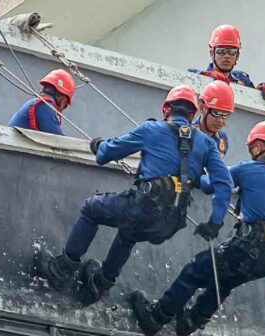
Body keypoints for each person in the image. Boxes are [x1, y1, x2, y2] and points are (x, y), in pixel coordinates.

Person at [33, 85, 233, 306]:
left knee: (92, 208)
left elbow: (105, 154)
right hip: (172, 223)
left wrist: (98, 145)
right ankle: (99, 285)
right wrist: (214, 224)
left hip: (144, 207)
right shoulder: (207, 144)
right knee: (128, 234)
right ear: (194, 114)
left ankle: (61, 270)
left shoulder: (151, 129)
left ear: (166, 110)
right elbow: (224, 183)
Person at [129, 120, 265, 336]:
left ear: (259, 146)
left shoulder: (245, 169)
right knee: (223, 282)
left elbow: (209, 184)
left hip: (244, 247)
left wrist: (202, 169)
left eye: (252, 147)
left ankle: (156, 317)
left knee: (193, 272)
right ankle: (190, 321)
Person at [189, 25, 265, 102]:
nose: (227, 56)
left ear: (237, 56)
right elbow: (188, 75)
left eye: (232, 52)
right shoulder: (199, 76)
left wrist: (260, 91)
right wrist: (206, 77)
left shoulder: (243, 81)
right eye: (221, 51)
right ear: (212, 54)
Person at [8, 69, 75, 135]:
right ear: (63, 100)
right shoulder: (45, 106)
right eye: (65, 105)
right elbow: (57, 139)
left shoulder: (36, 103)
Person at [196, 81, 235, 158]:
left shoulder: (222, 138)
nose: (221, 121)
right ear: (202, 108)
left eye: (225, 115)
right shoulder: (189, 133)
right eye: (216, 113)